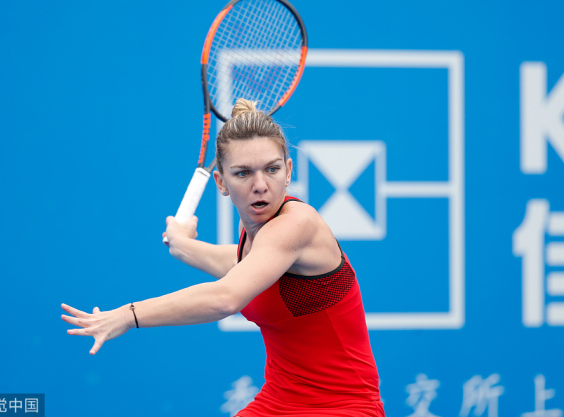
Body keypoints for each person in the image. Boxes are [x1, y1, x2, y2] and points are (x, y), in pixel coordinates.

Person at [61, 99, 385, 416]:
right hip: (278, 401)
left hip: (344, 407)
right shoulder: (258, 236)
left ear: (288, 171)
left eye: (272, 169)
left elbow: (225, 297)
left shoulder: (295, 224)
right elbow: (240, 265)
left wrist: (129, 315)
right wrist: (184, 246)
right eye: (243, 174)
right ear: (221, 182)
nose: (261, 185)